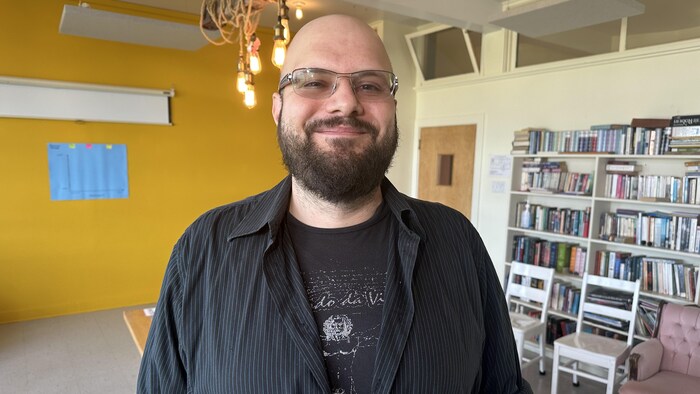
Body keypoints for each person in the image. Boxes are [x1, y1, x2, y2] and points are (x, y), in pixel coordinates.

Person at [137, 14, 532, 394]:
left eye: (370, 85)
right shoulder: (204, 248)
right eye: (312, 81)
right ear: (277, 109)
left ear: (393, 108)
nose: (345, 103)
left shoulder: (457, 241)